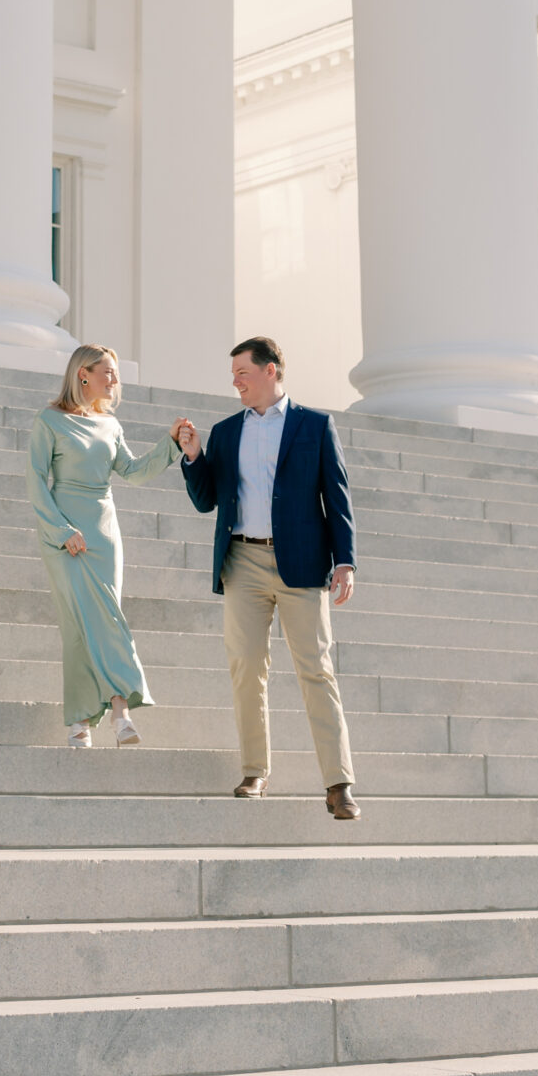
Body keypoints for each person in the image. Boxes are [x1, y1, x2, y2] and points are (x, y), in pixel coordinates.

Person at [177, 335, 361, 818]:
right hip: (243, 563)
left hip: (301, 565)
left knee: (316, 671)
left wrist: (345, 560)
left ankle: (338, 783)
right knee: (246, 668)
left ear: (271, 371)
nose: (235, 381)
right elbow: (206, 500)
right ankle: (255, 772)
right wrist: (194, 456)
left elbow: (336, 497)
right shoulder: (225, 431)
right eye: (233, 373)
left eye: (242, 371)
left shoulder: (315, 425)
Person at [28, 343, 195, 749]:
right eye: (108, 372)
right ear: (83, 373)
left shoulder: (110, 425)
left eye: (115, 372)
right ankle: (98, 717)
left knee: (108, 619)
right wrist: (61, 531)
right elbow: (36, 481)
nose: (115, 380)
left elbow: (134, 472)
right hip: (65, 536)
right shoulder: (50, 421)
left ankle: (101, 717)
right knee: (79, 627)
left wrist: (170, 444)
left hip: (103, 534)